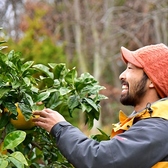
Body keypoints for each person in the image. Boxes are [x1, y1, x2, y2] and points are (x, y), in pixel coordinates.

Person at [33, 43, 168, 168]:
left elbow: (100, 159)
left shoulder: (158, 128)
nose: (122, 75)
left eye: (130, 68)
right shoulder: (148, 123)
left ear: (151, 81)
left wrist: (60, 128)